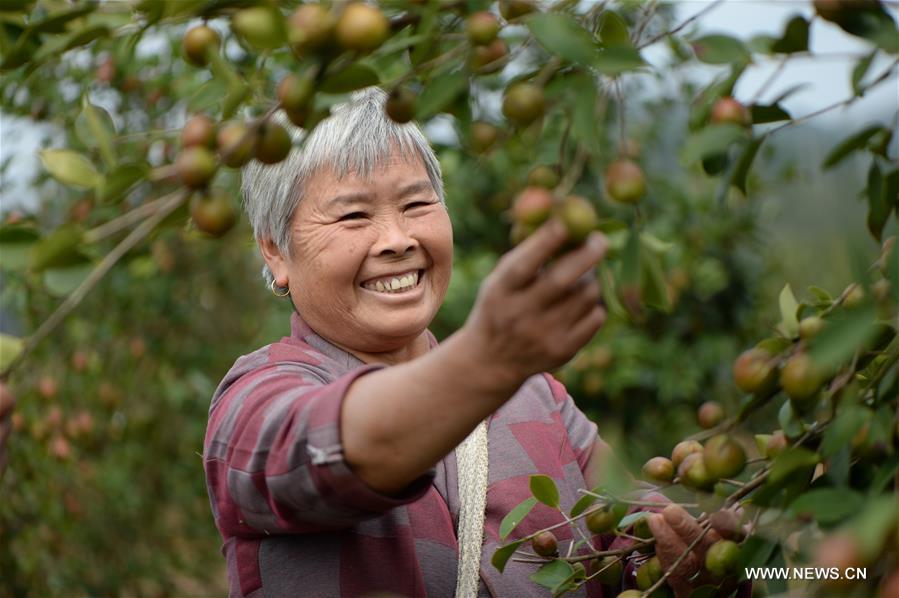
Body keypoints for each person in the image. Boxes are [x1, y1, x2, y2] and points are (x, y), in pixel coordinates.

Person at [204, 88, 730, 598]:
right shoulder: (255, 400)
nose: (397, 238)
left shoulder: (536, 399)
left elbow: (628, 537)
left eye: (416, 204)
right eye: (353, 215)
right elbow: (327, 452)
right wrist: (485, 364)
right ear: (275, 253)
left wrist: (694, 560)